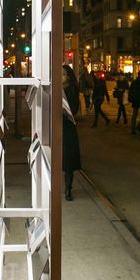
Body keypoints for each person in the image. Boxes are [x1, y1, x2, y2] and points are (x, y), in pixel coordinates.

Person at [62, 65, 81, 201]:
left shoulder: (73, 89)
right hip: (55, 127)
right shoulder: (54, 88)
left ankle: (68, 188)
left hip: (68, 127)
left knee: (68, 161)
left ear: (68, 76)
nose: (60, 76)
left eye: (62, 74)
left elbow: (73, 109)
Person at [128, 70, 140, 134]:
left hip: (136, 100)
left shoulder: (134, 82)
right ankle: (138, 126)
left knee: (135, 114)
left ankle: (134, 128)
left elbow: (130, 91)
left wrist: (130, 99)